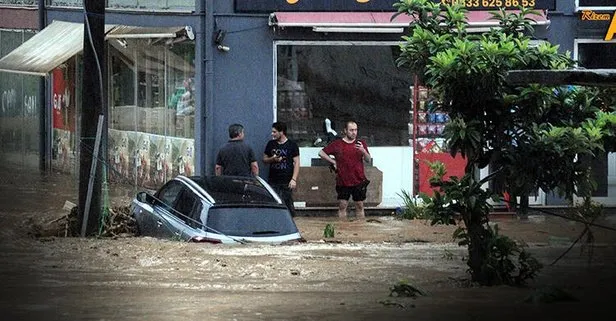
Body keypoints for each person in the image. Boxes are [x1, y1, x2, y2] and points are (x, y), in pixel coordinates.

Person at [318, 120, 371, 219]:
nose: (354, 132)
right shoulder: (337, 144)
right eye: (351, 130)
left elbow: (368, 160)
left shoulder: (361, 143)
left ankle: (361, 228)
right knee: (342, 205)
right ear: (345, 131)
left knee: (360, 205)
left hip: (358, 179)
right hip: (343, 180)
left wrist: (363, 151)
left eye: (355, 130)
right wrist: (333, 162)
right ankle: (342, 228)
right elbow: (321, 153)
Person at [263, 122, 300, 216]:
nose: (272, 134)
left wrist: (294, 179)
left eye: (274, 132)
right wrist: (272, 159)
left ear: (281, 132)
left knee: (288, 205)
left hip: (287, 181)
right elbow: (264, 159)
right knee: (274, 204)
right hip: (273, 180)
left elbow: (297, 163)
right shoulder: (271, 144)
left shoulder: (292, 145)